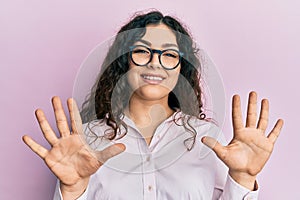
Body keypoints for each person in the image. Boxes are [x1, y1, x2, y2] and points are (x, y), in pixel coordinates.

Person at [22, 11, 284, 200]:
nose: (155, 62)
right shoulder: (86, 138)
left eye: (170, 54)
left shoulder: (206, 138)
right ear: (125, 62)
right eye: (142, 50)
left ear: (182, 68)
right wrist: (71, 191)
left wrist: (243, 178)